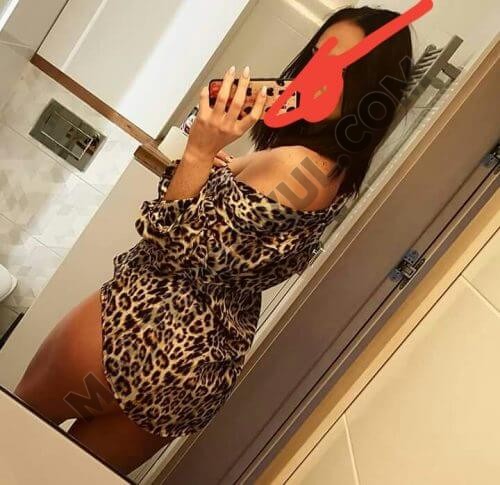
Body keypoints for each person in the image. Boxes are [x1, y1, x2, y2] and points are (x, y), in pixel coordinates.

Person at [14, 6, 413, 475]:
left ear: (372, 87)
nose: (319, 71)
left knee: (11, 438)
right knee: (62, 475)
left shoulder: (293, 164)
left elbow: (174, 245)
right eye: (317, 55)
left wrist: (200, 151)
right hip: (188, 377)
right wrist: (214, 168)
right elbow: (225, 250)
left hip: (130, 328)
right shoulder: (333, 175)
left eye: (343, 65)